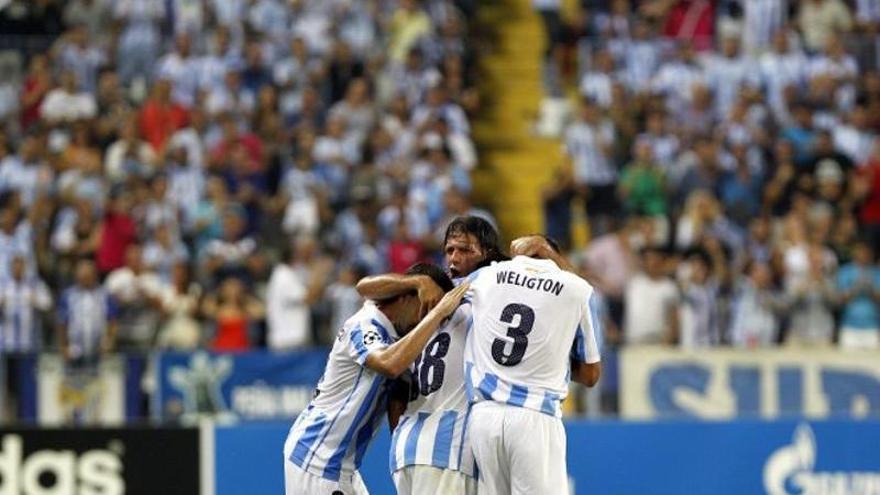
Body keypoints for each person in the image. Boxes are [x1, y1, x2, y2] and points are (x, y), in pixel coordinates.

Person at [282, 263, 466, 495]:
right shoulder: (365, 324)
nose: (426, 319)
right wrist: (437, 311)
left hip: (342, 466)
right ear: (406, 298)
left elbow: (396, 394)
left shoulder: (398, 333)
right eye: (426, 308)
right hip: (318, 460)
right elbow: (389, 365)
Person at [355, 215, 505, 495]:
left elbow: (397, 394)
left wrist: (419, 283)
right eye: (450, 250)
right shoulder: (475, 306)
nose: (454, 258)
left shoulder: (417, 326)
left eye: (464, 250)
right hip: (446, 448)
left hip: (406, 449)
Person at [463, 234, 601, 495]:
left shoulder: (487, 276)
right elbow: (592, 374)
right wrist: (551, 355)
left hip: (483, 417)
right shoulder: (577, 289)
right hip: (534, 417)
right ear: (553, 254)